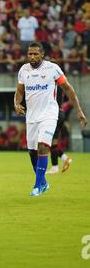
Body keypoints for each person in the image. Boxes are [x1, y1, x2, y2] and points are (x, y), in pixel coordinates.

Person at [14, 41, 87, 197]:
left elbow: (69, 89)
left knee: (43, 146)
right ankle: (44, 183)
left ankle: (37, 186)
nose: (32, 57)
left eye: (35, 54)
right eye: (30, 54)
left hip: (49, 114)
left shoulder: (52, 69)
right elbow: (19, 91)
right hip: (32, 116)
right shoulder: (23, 70)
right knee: (32, 152)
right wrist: (16, 103)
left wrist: (79, 111)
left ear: (42, 54)